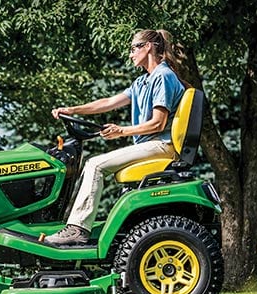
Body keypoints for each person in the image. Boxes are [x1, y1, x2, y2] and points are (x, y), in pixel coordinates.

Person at [42, 29, 192, 245]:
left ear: (147, 47)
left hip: (161, 145)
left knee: (95, 165)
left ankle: (77, 229)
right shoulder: (142, 82)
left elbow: (158, 123)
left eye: (133, 49)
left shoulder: (163, 76)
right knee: (95, 164)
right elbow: (108, 102)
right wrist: (72, 109)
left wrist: (121, 131)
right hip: (151, 144)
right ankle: (76, 226)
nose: (130, 54)